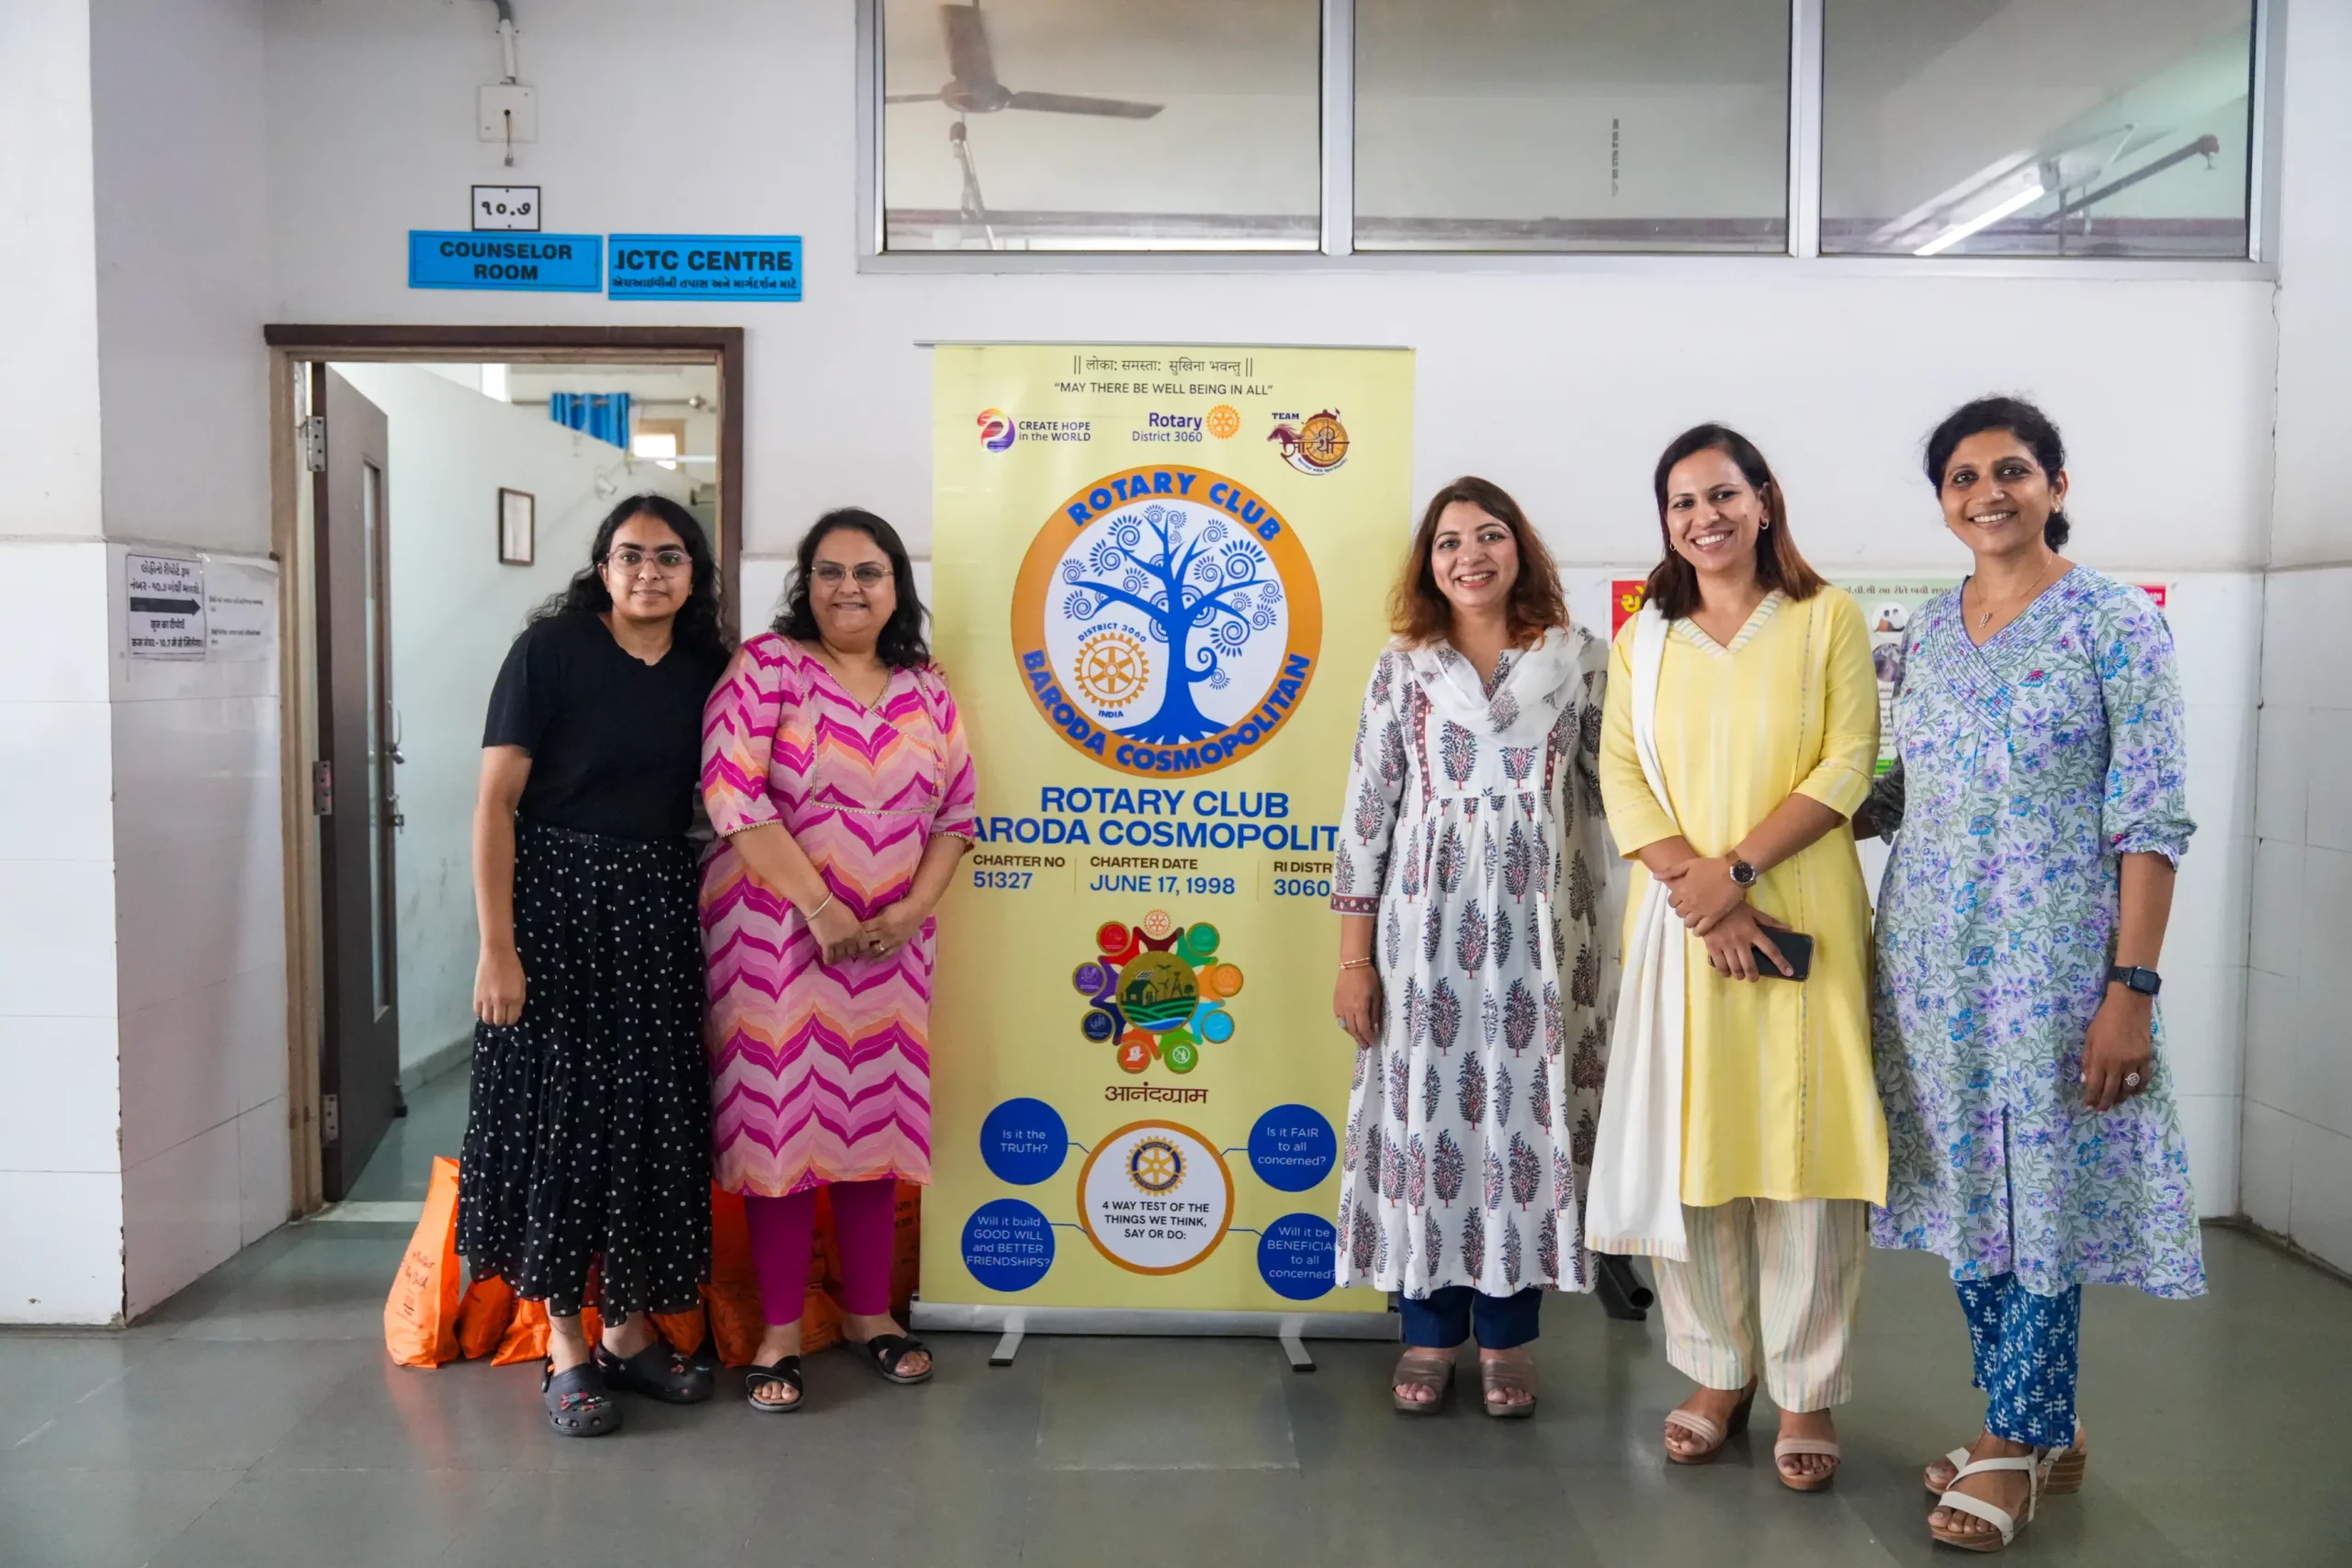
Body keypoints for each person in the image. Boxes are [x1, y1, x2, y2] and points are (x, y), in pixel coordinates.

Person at [1861, 397, 2200, 1551]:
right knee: (1969, 1197)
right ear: (1942, 503)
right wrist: (1769, 827)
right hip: (1927, 969)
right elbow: (1900, 787)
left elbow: (2149, 821)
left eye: (2009, 470)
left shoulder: (2115, 623)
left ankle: (2014, 1439)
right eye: (1961, 477)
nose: (1986, 493)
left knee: (2036, 1199)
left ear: (2056, 484)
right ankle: (2039, 1422)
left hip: (2054, 971)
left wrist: (2130, 991)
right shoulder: (1925, 630)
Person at [1590, 425, 1884, 1490]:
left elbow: (1848, 762)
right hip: (1682, 928)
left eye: (1721, 494)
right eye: (1681, 502)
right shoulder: (1644, 639)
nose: (1702, 518)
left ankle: (1807, 1390)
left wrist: (1741, 873)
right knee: (1696, 1145)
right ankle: (1716, 1373)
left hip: (1800, 912)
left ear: (1763, 500)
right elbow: (1621, 778)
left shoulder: (1825, 618)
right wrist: (1702, 894)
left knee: (1808, 1149)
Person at [1329, 476, 1613, 1418]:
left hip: (1539, 937)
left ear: (1519, 550)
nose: (1469, 556)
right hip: (1423, 942)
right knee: (1428, 1123)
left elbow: (1619, 791)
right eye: (1448, 542)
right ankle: (1428, 1332)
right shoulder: (1402, 669)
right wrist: (1354, 960)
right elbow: (1366, 816)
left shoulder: (1579, 661)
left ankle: (1507, 1337)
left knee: (1520, 1125)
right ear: (1429, 565)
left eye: (1488, 535)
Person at [457, 494, 730, 1436]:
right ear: (602, 566)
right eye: (630, 554)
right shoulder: (550, 651)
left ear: (695, 571)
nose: (649, 571)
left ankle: (625, 1331)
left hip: (655, 908)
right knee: (562, 1123)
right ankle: (566, 1343)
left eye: (669, 556)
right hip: (553, 909)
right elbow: (494, 806)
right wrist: (498, 947)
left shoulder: (708, 667)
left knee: (645, 1120)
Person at [701, 508, 978, 1411]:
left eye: (869, 572)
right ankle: (780, 1332)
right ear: (805, 584)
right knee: (781, 1128)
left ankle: (868, 1315)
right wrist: (820, 909)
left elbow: (959, 814)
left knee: (874, 1128)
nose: (849, 588)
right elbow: (732, 796)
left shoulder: (927, 687)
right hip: (774, 940)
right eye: (830, 571)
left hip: (892, 946)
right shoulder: (767, 668)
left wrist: (911, 911)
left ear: (898, 586)